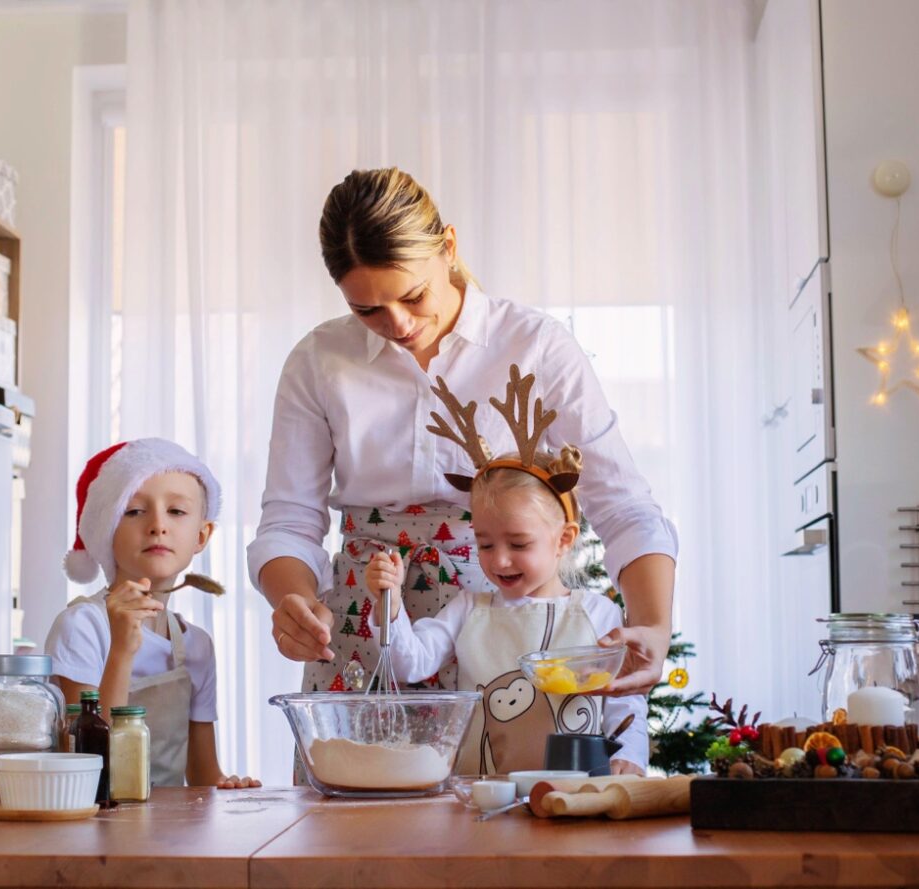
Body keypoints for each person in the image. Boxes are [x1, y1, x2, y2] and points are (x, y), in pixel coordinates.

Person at [249, 167, 678, 715]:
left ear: (448, 247)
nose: (398, 323)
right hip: (365, 630)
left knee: (498, 787)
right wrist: (295, 600)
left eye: (412, 295)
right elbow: (289, 519)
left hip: (503, 632)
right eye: (367, 309)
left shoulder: (534, 345)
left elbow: (622, 505)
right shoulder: (319, 360)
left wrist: (653, 626)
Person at [364, 367, 646, 775]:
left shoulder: (598, 614)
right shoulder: (468, 609)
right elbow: (412, 663)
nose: (499, 560)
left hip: (579, 795)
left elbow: (623, 700)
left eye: (519, 544)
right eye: (484, 544)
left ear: (564, 539)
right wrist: (388, 608)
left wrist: (628, 756)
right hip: (482, 797)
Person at [46, 438, 259, 789]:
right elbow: (85, 764)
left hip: (168, 836)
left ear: (202, 535)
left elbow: (204, 776)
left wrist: (230, 786)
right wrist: (121, 649)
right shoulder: (82, 627)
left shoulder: (198, 646)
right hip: (94, 827)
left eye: (176, 511)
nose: (158, 525)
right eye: (133, 511)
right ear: (107, 529)